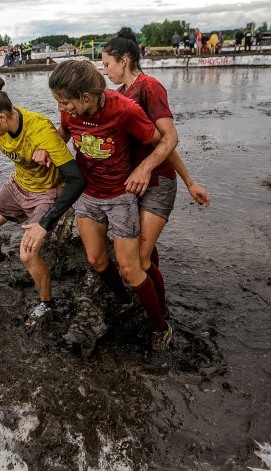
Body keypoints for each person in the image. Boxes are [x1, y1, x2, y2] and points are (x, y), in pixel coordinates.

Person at [47, 60, 175, 351]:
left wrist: (144, 169)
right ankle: (125, 300)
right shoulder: (69, 113)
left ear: (87, 97)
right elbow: (62, 137)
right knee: (96, 260)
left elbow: (162, 141)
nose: (62, 108)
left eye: (66, 102)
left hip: (121, 196)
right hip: (88, 194)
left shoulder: (124, 109)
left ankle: (160, 325)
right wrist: (46, 148)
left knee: (131, 268)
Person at [100, 28, 210, 329]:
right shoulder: (121, 96)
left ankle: (162, 315)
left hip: (157, 182)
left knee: (141, 260)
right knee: (146, 254)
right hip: (134, 184)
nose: (104, 70)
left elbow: (170, 139)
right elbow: (156, 140)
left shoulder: (150, 87)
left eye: (107, 64)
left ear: (125, 61)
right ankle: (153, 297)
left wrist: (175, 178)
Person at [0, 75, 86, 322]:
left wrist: (45, 223)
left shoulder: (40, 131)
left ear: (1, 118)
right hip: (17, 184)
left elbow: (77, 179)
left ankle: (46, 303)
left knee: (28, 254)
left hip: (46, 193)